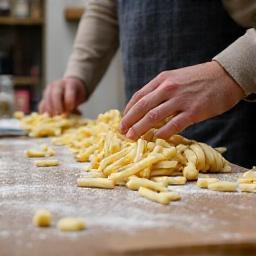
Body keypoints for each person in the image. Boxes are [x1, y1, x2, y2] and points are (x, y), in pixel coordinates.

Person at [39, 0, 256, 168]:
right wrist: (78, 75)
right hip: (140, 149)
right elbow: (105, 8)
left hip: (232, 128)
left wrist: (230, 72)